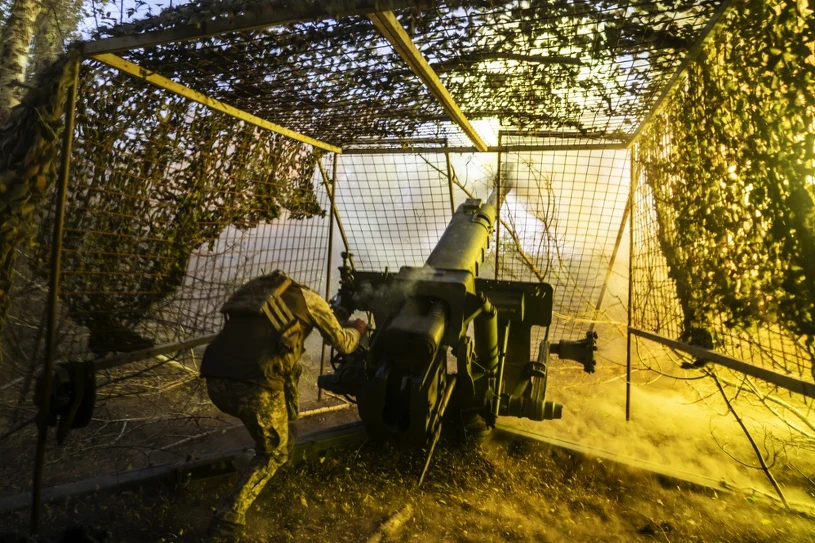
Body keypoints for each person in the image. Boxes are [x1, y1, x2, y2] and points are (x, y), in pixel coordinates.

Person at [200, 270, 366, 542]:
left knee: (290, 373)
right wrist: (357, 328)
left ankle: (284, 438)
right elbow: (344, 344)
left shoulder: (260, 294)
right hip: (253, 384)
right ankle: (226, 521)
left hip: (215, 378)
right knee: (273, 452)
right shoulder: (312, 301)